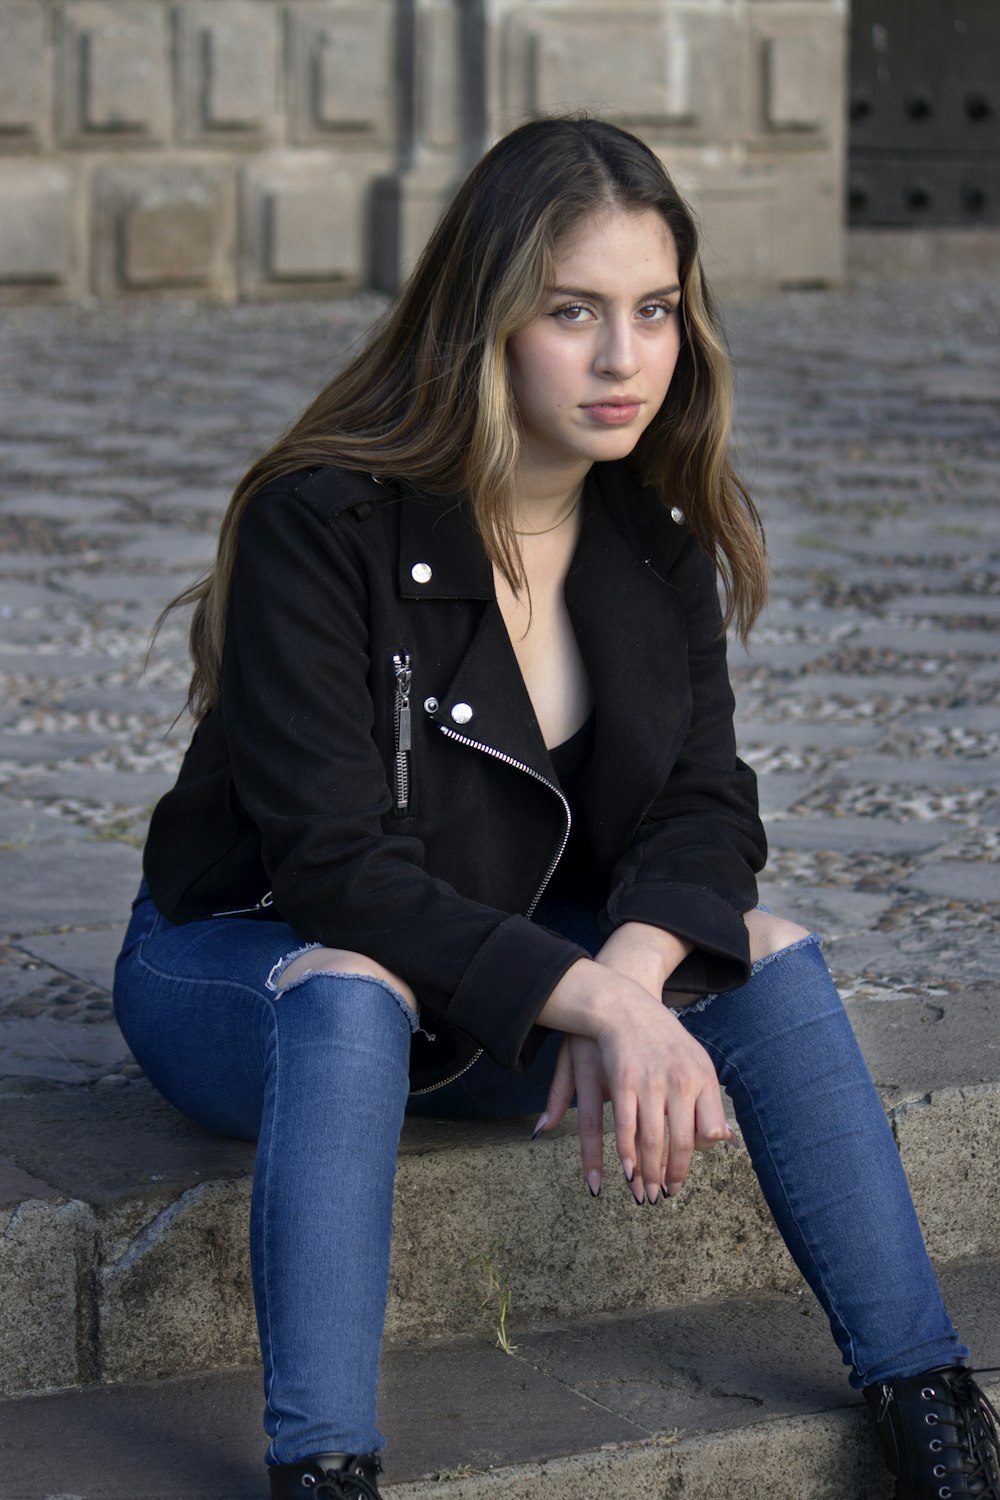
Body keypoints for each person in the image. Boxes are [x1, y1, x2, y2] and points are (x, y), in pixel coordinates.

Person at [113, 117, 999, 1500]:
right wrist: (584, 1000)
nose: (622, 358)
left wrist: (634, 977)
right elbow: (339, 868)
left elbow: (708, 808)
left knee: (769, 952)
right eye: (571, 312)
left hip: (492, 982)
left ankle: (931, 1407)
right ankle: (326, 1467)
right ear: (486, 321)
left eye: (654, 313)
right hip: (253, 968)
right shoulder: (325, 523)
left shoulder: (656, 532)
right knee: (352, 987)